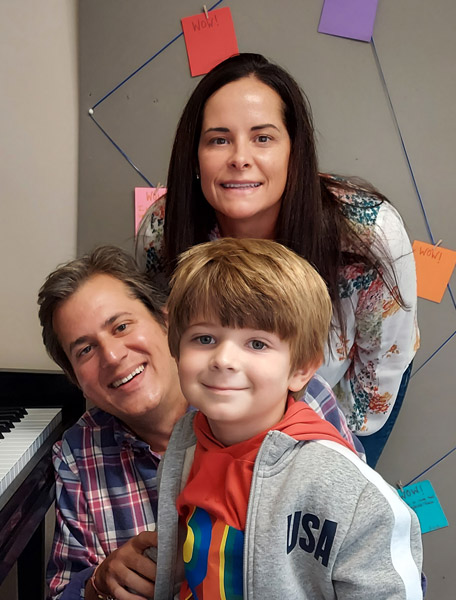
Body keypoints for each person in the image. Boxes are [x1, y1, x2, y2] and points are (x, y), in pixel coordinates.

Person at [136, 53, 419, 466]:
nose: (239, 157)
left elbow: (381, 367)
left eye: (263, 138)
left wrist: (335, 460)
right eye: (218, 139)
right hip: (222, 404)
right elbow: (169, 345)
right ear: (194, 156)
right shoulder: (164, 228)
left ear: (294, 151)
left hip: (340, 398)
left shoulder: (369, 234)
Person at [37, 245, 362, 600]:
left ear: (166, 321)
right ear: (74, 377)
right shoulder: (77, 452)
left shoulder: (296, 398)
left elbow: (365, 550)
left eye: (122, 326)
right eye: (84, 350)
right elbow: (61, 591)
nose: (113, 356)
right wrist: (98, 583)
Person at [153, 237, 423, 599]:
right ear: (177, 350)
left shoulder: (347, 489)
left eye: (257, 344)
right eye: (204, 338)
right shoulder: (187, 441)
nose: (223, 359)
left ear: (300, 369)